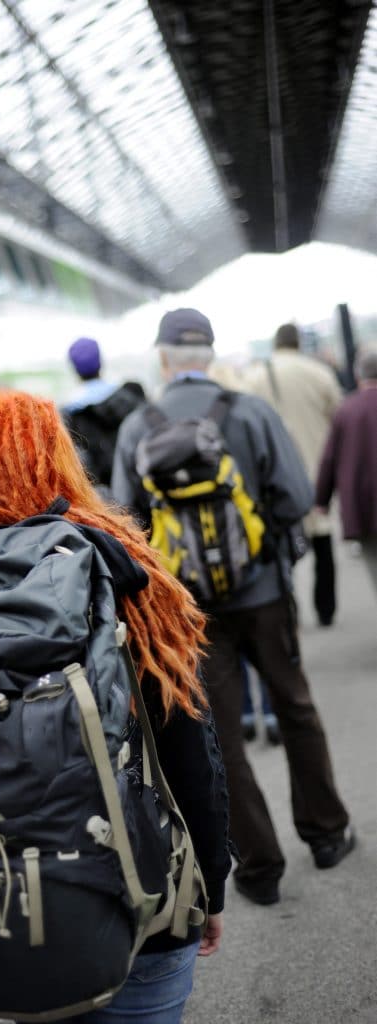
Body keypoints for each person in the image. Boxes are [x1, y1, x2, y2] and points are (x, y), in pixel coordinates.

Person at [0, 388, 230, 1024]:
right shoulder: (118, 561)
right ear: (59, 458)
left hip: (11, 915)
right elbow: (186, 745)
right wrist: (210, 880)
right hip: (142, 899)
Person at [112, 308, 354, 907]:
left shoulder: (138, 427)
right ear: (212, 354)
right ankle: (326, 834)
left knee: (221, 736)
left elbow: (126, 527)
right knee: (294, 705)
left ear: (164, 358)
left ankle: (259, 867)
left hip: (191, 613)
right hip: (265, 593)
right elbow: (296, 495)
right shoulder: (250, 412)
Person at [246, 323, 344, 626]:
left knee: (285, 548)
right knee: (323, 540)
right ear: (298, 342)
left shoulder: (255, 377)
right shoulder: (319, 373)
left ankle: (292, 611)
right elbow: (338, 417)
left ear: (275, 343)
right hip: (318, 468)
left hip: (278, 475)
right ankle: (325, 609)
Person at [316, 346, 377, 598]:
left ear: (358, 375)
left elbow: (329, 459)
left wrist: (322, 500)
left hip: (364, 506)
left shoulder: (346, 410)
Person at [61, 337, 145, 492]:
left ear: (74, 369)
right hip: (138, 489)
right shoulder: (130, 399)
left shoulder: (70, 415)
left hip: (101, 497)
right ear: (101, 361)